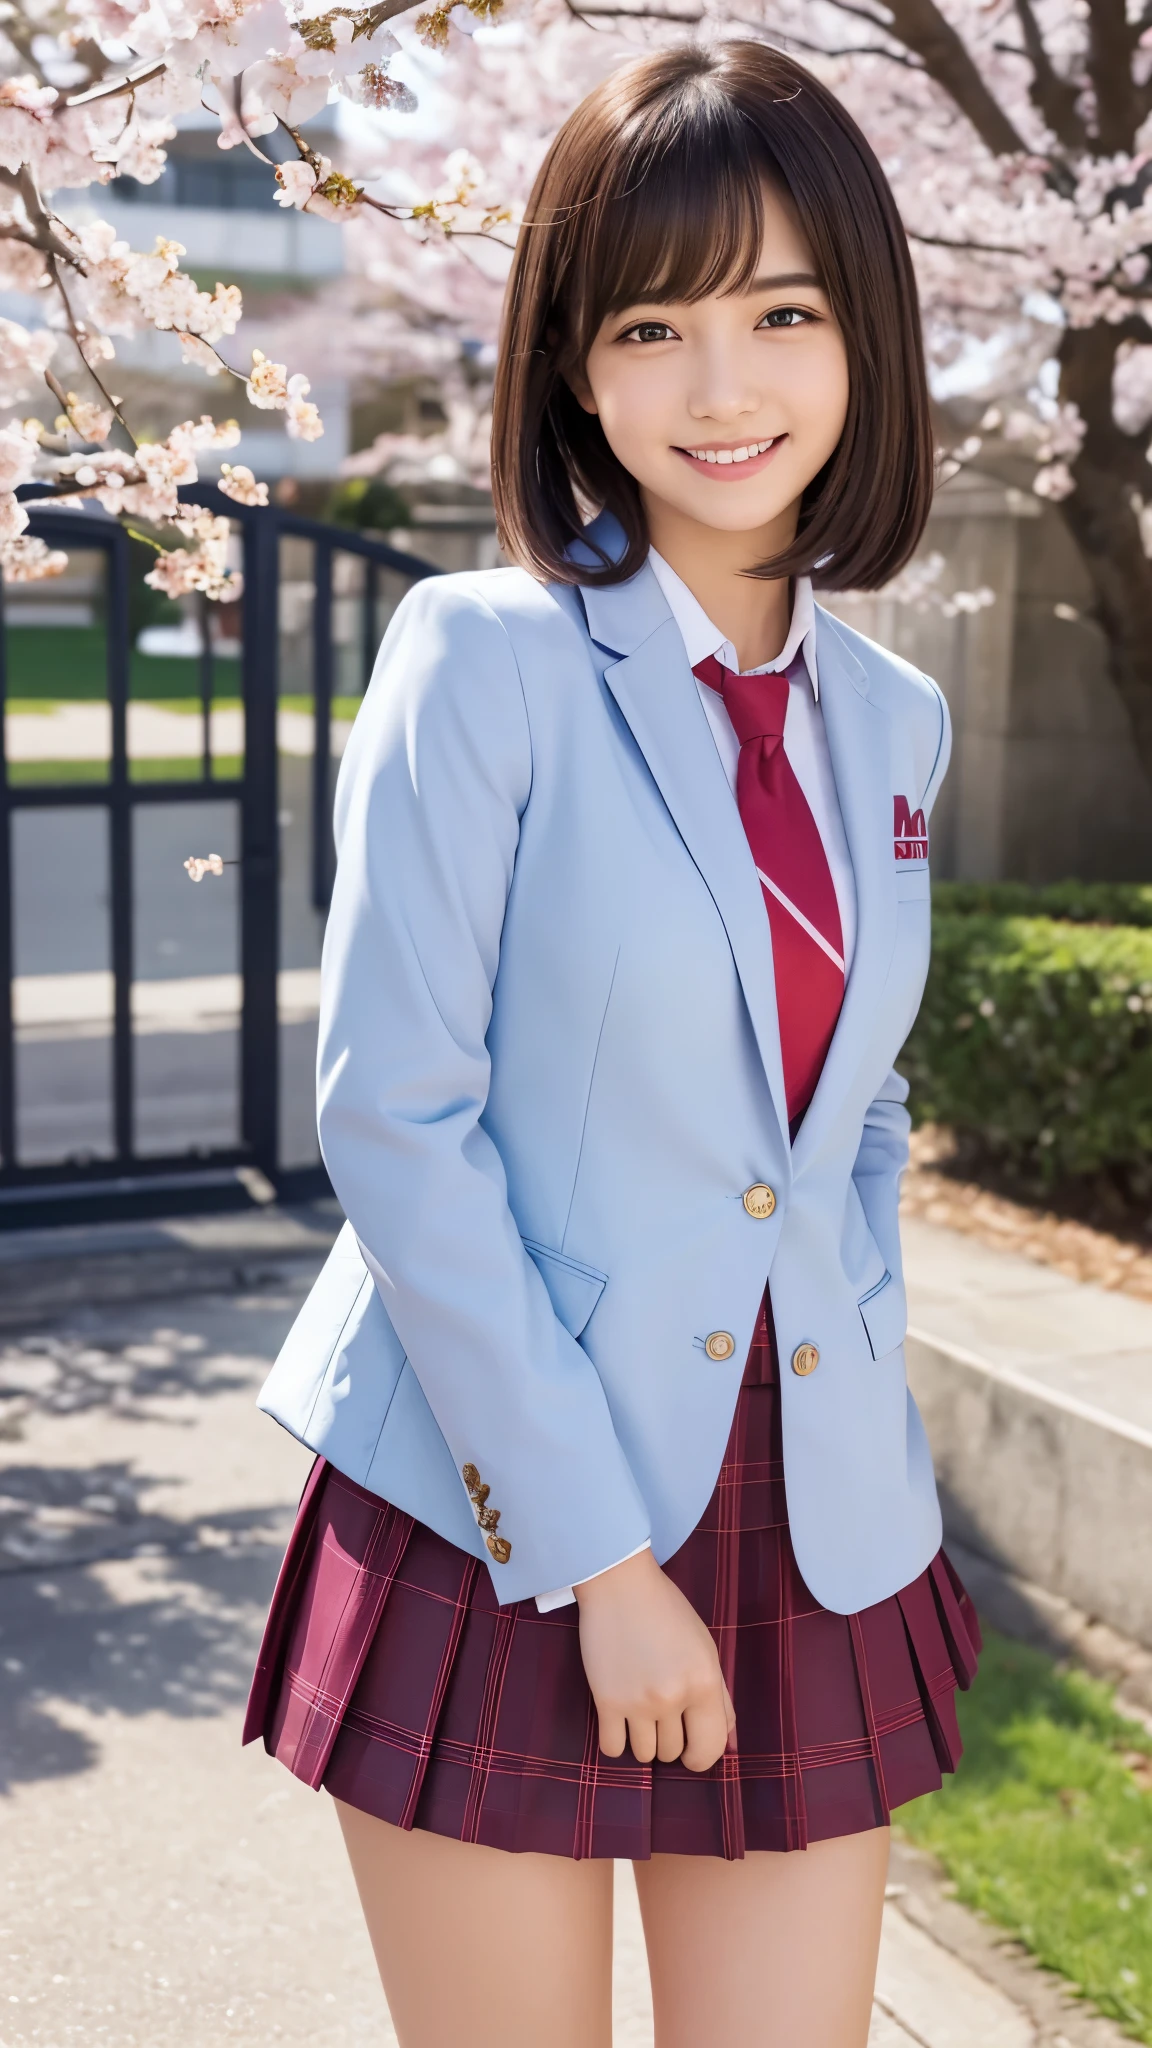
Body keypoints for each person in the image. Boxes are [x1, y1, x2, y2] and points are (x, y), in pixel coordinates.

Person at [243, 39, 979, 2048]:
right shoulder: (481, 662)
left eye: (781, 313)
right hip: (504, 1500)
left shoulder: (895, 723)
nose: (720, 386)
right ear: (576, 366)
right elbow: (398, 1120)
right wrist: (597, 1558)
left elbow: (855, 1114)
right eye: (652, 324)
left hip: (802, 1514)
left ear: (863, 341)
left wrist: (866, 1416)